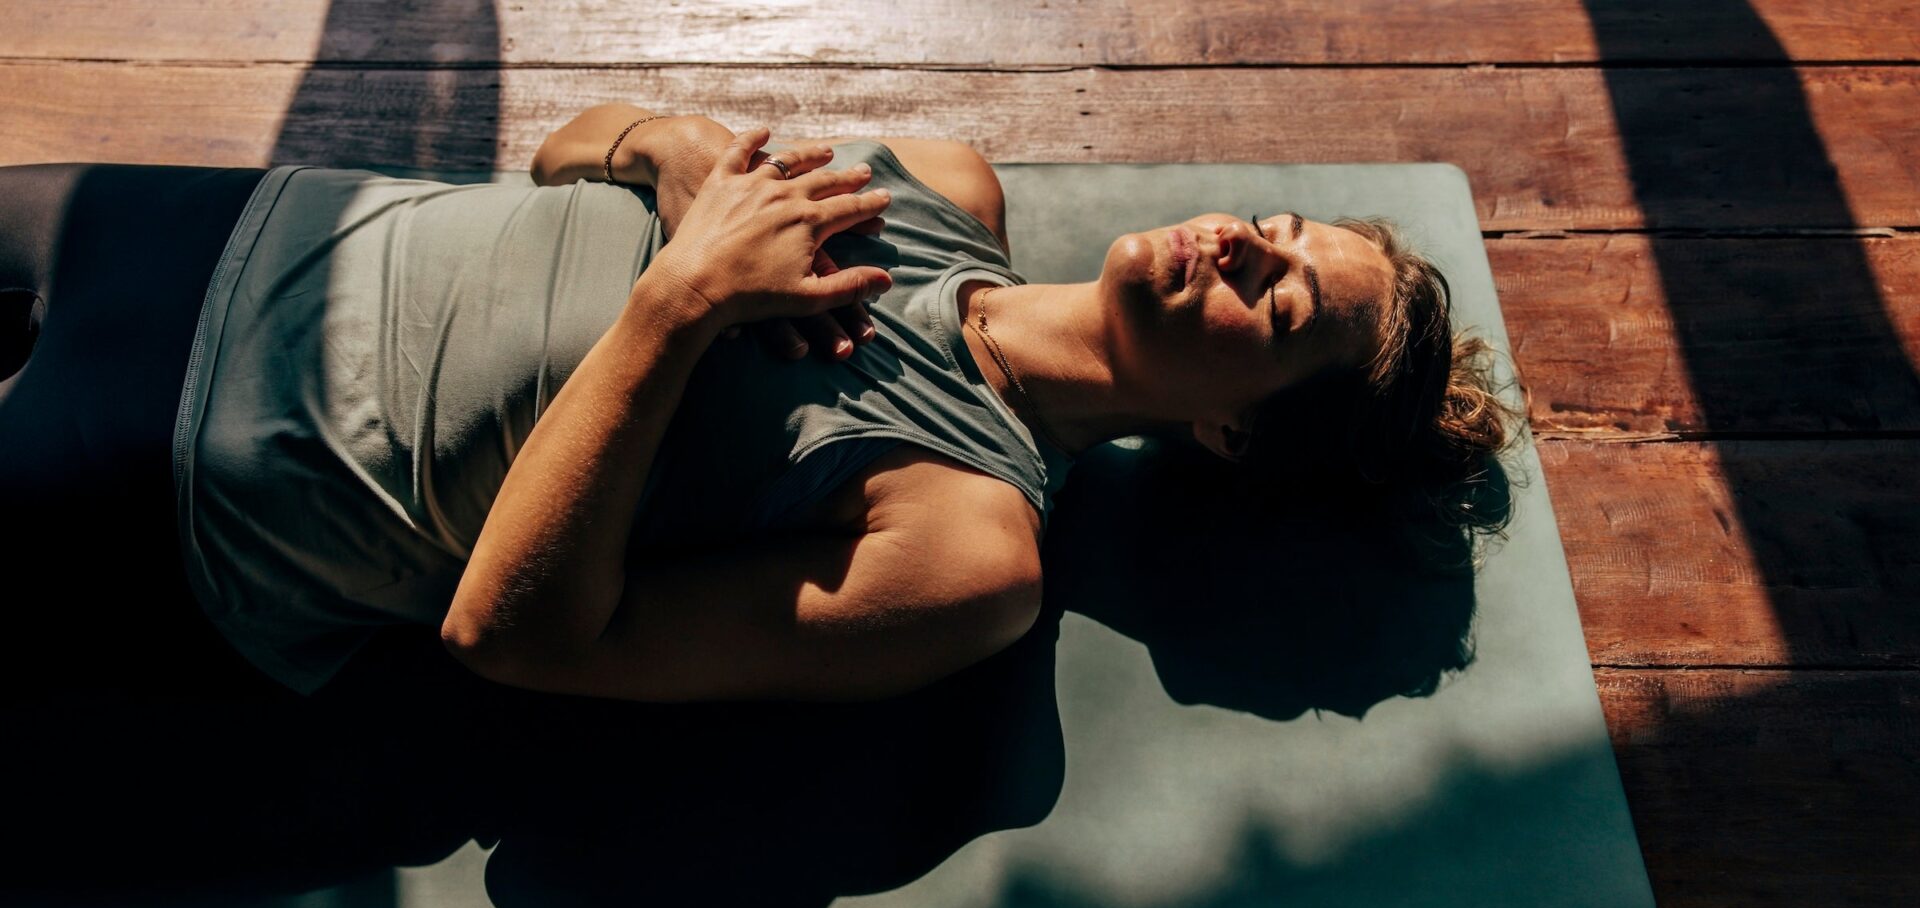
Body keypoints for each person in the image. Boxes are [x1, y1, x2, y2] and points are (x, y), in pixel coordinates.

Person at [0, 112, 1521, 707]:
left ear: (1233, 434)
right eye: (1281, 224)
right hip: (259, 226)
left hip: (220, 466)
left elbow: (519, 642)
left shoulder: (968, 544)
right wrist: (671, 159)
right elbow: (558, 152)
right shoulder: (943, 186)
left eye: (1284, 302)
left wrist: (682, 305)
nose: (1246, 241)